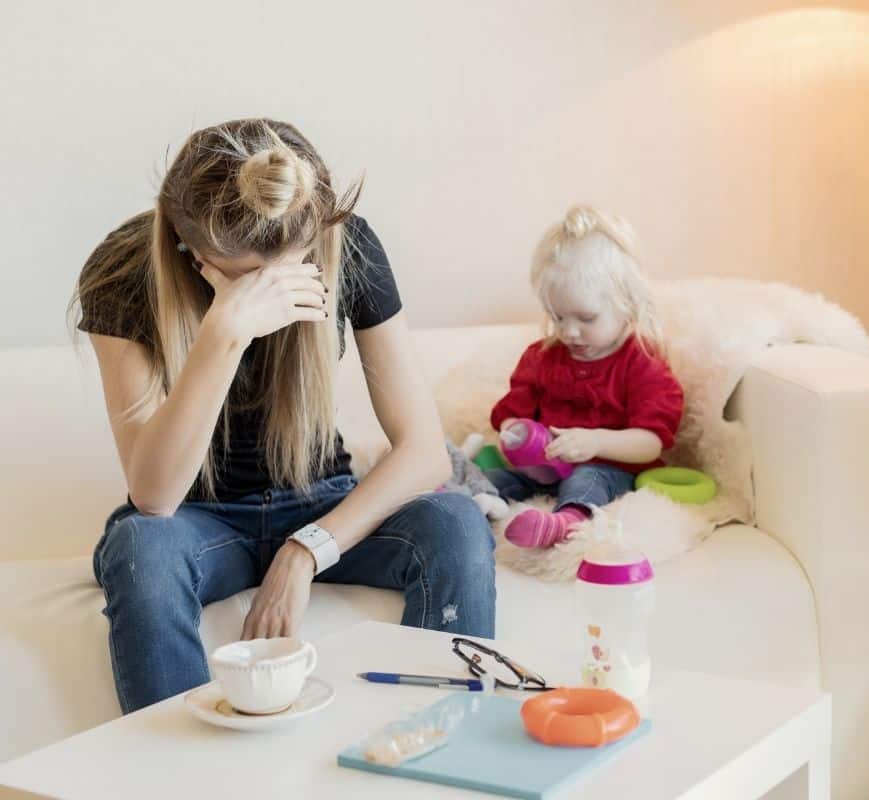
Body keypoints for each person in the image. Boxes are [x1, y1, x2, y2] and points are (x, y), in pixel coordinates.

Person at [71, 118, 496, 714]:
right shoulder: (123, 272)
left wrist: (306, 550)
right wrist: (225, 330)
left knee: (454, 521)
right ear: (187, 249)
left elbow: (422, 450)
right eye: (249, 277)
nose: (274, 288)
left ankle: (434, 748)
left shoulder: (348, 245)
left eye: (292, 268)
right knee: (140, 548)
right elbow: (155, 496)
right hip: (197, 519)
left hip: (320, 499)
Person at [488, 205, 685, 548]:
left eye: (586, 318)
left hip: (607, 469)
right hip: (544, 469)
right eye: (557, 316)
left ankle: (565, 524)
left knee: (586, 478)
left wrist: (596, 442)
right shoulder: (542, 357)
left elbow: (651, 441)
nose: (569, 332)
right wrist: (514, 434)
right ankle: (465, 503)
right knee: (497, 479)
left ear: (628, 305)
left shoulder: (641, 363)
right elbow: (512, 413)